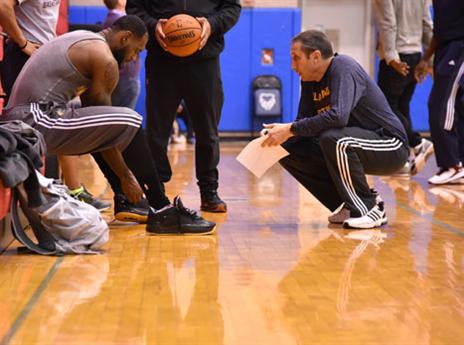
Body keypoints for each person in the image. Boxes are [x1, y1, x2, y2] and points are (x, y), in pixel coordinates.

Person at [3, 15, 216, 235]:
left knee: (105, 125)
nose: (134, 58)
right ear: (125, 38)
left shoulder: (88, 39)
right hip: (31, 124)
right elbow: (110, 130)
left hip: (26, 121)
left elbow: (100, 131)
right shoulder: (104, 59)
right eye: (137, 50)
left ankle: (127, 200)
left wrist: (125, 179)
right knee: (129, 119)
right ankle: (162, 209)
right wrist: (126, 176)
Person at [261, 30, 409, 229]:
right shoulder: (309, 81)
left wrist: (290, 128)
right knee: (288, 146)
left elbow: (338, 117)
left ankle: (369, 208)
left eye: (296, 58)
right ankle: (347, 204)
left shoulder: (343, 67)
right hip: (352, 142)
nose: (292, 65)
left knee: (335, 138)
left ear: (315, 57)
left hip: (391, 145)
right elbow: (303, 123)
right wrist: (279, 135)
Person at [127, 0, 241, 213]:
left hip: (205, 61)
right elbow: (134, 9)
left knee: (208, 132)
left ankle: (209, 192)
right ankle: (155, 191)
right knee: (156, 133)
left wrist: (212, 23)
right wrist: (153, 26)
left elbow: (232, 8)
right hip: (162, 61)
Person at [0, 0, 111, 211]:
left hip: (43, 53)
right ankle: (32, 198)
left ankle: (74, 190)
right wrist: (23, 43)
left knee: (62, 119)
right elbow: (3, 6)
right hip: (24, 55)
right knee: (26, 130)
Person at [374, 0, 434, 175]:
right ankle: (403, 161)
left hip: (396, 57)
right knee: (401, 106)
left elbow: (388, 22)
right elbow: (427, 25)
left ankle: (417, 143)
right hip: (415, 55)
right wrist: (429, 61)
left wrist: (391, 57)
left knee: (386, 108)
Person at [415, 0, 464, 185]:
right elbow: (440, 30)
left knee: (441, 103)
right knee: (458, 105)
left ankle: (452, 165)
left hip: (459, 48)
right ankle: (459, 163)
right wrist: (426, 58)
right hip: (445, 49)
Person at [103, 0, 141, 109]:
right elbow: (136, 43)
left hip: (119, 74)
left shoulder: (111, 17)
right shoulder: (122, 19)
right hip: (126, 75)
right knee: (124, 115)